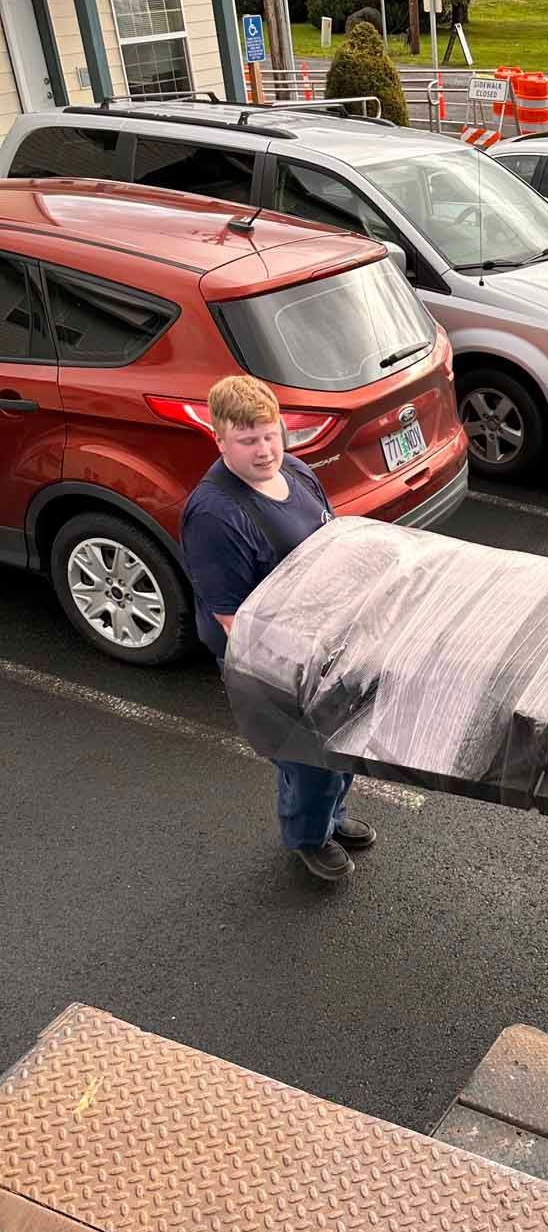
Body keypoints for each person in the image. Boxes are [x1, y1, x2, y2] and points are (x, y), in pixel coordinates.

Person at [180, 375, 376, 883]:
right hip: (272, 658)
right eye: (247, 441)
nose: (265, 450)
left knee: (340, 746)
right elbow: (231, 619)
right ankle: (308, 837)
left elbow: (331, 535)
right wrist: (303, 662)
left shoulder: (295, 468)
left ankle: (329, 817)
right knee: (306, 758)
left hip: (327, 639)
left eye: (271, 434)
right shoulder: (214, 515)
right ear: (219, 439)